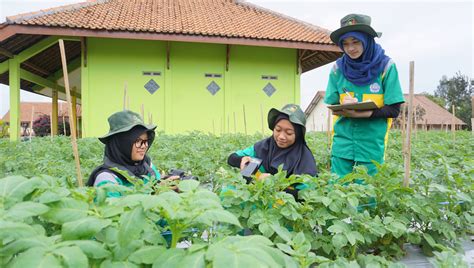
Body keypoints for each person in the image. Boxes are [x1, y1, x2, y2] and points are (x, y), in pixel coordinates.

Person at [324, 14, 405, 178]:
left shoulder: (386, 66)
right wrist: (344, 105)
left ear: (367, 40)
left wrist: (363, 113)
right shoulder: (338, 69)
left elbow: (394, 109)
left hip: (371, 143)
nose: (350, 48)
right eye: (345, 44)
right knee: (337, 193)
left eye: (356, 42)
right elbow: (332, 105)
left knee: (367, 195)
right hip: (342, 142)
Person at [227, 104, 317, 199]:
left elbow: (305, 193)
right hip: (256, 191)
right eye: (278, 130)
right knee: (249, 167)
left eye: (289, 133)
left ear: (298, 134)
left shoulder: (304, 159)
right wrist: (242, 160)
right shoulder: (265, 146)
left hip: (282, 201)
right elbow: (232, 158)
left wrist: (273, 183)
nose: (281, 136)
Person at [87, 110, 178, 195]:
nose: (144, 146)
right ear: (121, 144)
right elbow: (115, 210)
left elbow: (156, 184)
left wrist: (165, 185)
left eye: (145, 141)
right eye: (138, 141)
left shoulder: (146, 164)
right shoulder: (107, 179)